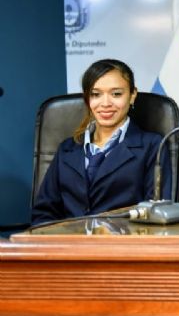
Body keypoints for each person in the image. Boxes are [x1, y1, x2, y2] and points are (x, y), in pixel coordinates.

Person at [31, 59, 170, 225]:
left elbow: (155, 214)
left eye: (116, 94)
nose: (105, 104)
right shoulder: (67, 149)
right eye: (96, 94)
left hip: (123, 247)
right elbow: (43, 213)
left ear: (132, 95)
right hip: (68, 245)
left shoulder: (153, 146)